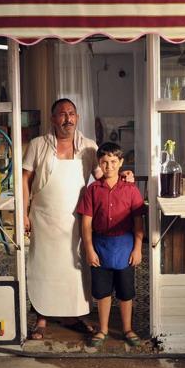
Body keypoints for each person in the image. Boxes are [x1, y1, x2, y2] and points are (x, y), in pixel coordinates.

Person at [23, 98, 131, 340]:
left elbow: (102, 174)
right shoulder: (38, 144)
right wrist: (23, 214)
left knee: (73, 268)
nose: (67, 118)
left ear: (77, 118)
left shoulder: (89, 147)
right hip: (44, 217)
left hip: (77, 219)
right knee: (43, 266)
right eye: (62, 114)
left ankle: (72, 315)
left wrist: (122, 176)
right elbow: (24, 179)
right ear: (53, 119)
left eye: (71, 113)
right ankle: (41, 318)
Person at [76, 142, 145, 347]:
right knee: (102, 291)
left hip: (125, 245)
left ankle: (127, 329)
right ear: (99, 163)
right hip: (100, 246)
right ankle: (103, 329)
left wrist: (137, 247)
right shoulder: (92, 190)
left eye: (113, 162)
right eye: (104, 162)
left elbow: (138, 223)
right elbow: (86, 223)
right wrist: (89, 249)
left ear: (121, 163)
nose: (109, 166)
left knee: (125, 291)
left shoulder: (131, 190)